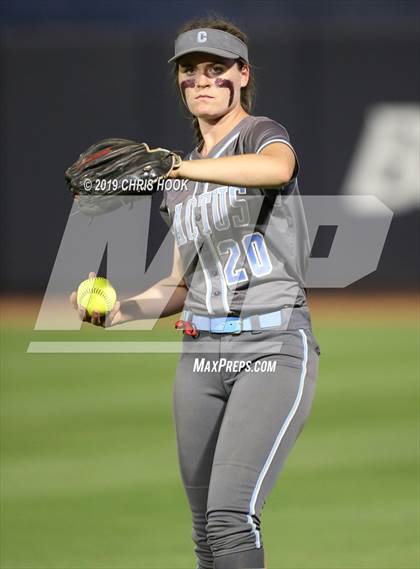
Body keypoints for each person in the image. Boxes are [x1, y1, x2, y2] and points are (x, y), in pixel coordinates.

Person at [71, 16, 321, 569]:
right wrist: (119, 313)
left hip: (273, 347)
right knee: (206, 531)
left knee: (231, 519)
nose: (202, 81)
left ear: (241, 75)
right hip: (201, 353)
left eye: (216, 69)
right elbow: (180, 284)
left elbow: (278, 169)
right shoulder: (179, 181)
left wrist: (181, 165)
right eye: (190, 72)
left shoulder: (258, 134)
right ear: (180, 83)